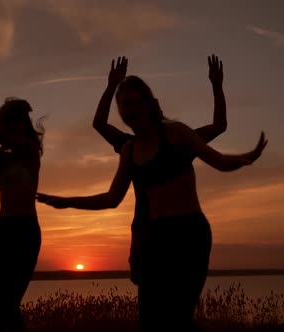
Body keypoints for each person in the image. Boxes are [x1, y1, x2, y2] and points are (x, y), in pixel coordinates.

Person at [37, 68, 267, 330]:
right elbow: (112, 198)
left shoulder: (178, 134)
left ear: (149, 104)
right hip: (152, 241)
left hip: (189, 237)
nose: (132, 108)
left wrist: (246, 156)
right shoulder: (128, 148)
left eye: (138, 101)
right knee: (151, 321)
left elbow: (220, 159)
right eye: (126, 104)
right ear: (121, 110)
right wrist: (68, 202)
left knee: (178, 318)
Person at [92, 55, 228, 286]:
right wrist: (112, 85)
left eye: (147, 105)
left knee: (175, 310)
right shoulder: (129, 146)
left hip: (183, 237)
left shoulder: (182, 139)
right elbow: (100, 124)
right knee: (152, 313)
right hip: (146, 237)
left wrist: (217, 85)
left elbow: (219, 125)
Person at [0, 97, 45, 331]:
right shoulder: (5, 156)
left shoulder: (29, 149)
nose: (10, 128)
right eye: (9, 123)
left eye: (14, 123)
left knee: (8, 304)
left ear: (22, 125)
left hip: (23, 230)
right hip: (2, 228)